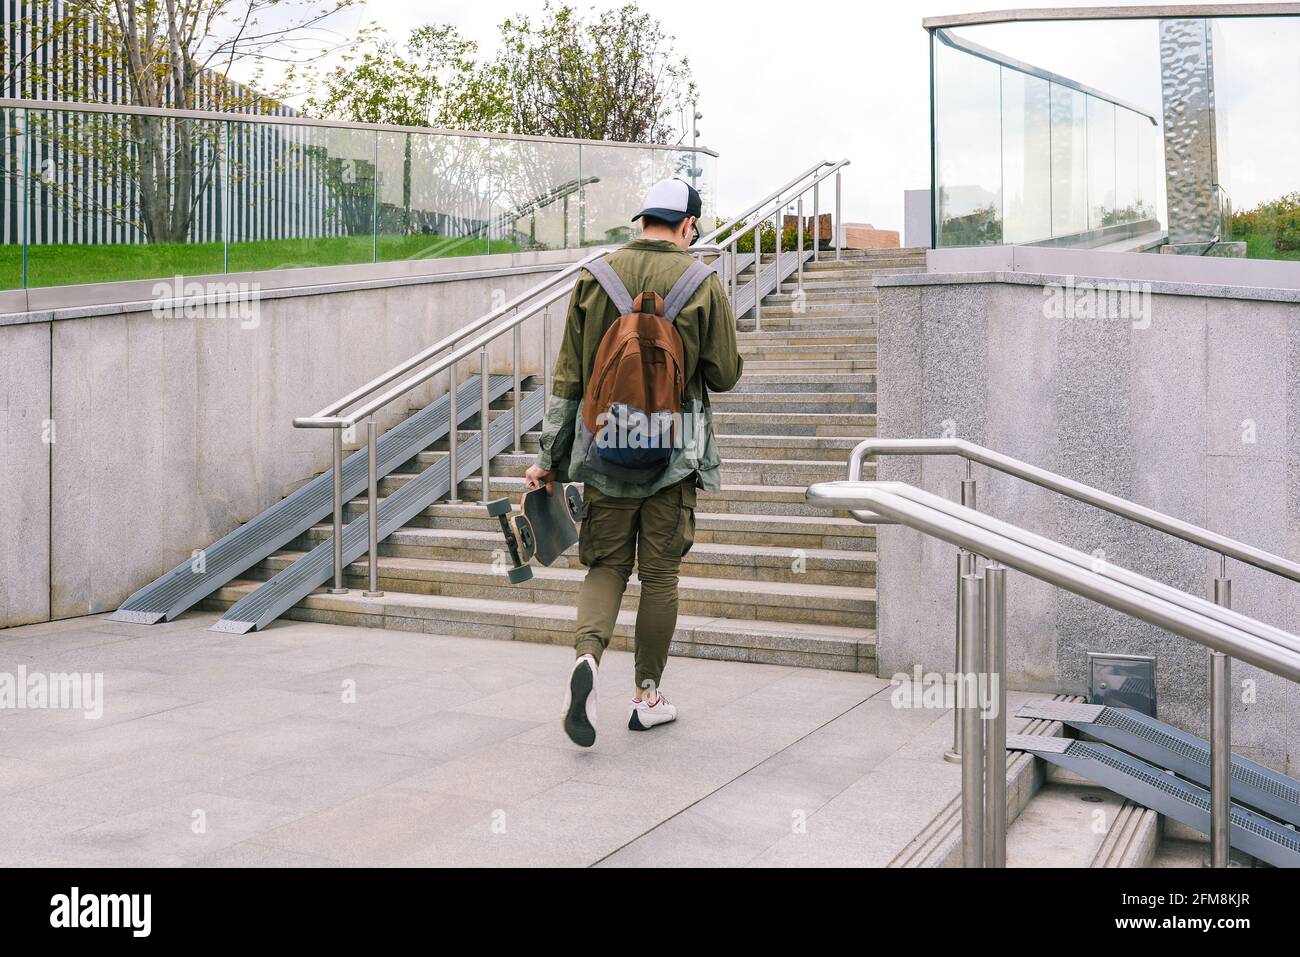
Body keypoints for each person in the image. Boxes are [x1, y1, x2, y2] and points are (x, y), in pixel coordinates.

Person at [524, 178, 742, 748]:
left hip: (603, 451)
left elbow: (568, 376)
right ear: (688, 225)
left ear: (643, 218)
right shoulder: (702, 282)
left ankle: (588, 661)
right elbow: (725, 374)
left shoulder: (595, 278)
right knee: (660, 576)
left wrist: (549, 459)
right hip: (673, 453)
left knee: (606, 568)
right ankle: (647, 696)